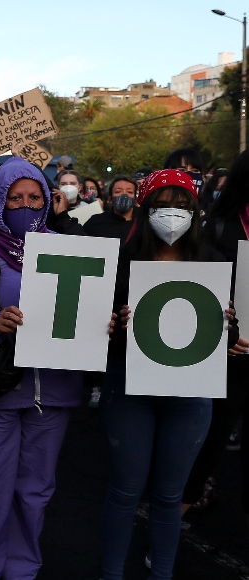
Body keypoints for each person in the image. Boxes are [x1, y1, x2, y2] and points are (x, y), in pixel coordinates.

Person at [101, 169, 246, 580]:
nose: (173, 214)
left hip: (189, 399)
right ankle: (111, 574)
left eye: (182, 205)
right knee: (125, 492)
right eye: (163, 205)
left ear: (195, 210)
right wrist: (115, 322)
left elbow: (225, 340)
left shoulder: (214, 263)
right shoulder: (123, 262)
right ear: (147, 210)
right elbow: (98, 329)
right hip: (129, 392)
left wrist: (228, 324)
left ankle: (161, 574)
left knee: (170, 496)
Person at [0, 157, 88, 580]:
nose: (25, 205)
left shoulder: (70, 250)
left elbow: (88, 308)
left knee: (34, 493)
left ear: (48, 200)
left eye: (34, 197)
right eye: (15, 198)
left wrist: (105, 320)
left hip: (55, 391)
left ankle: (23, 570)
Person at [182, 151, 249, 522]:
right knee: (209, 443)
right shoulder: (220, 227)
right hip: (230, 356)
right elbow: (199, 285)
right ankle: (166, 539)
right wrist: (224, 329)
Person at [83, 176, 137, 241]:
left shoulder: (145, 221)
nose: (124, 195)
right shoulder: (96, 222)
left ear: (135, 199)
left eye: (129, 192)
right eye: (118, 191)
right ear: (110, 199)